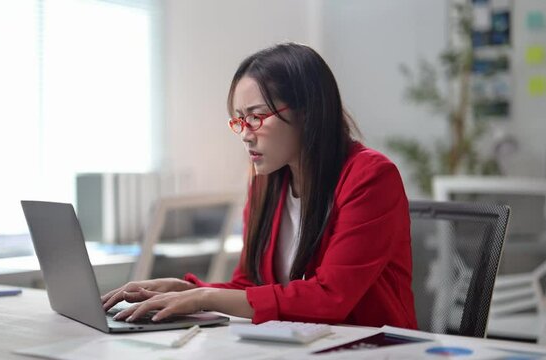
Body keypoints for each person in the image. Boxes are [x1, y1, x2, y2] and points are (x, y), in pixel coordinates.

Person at [101, 43, 417, 329]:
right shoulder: (265, 182)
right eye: (240, 120)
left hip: (368, 347)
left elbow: (331, 296)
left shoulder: (371, 177)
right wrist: (189, 290)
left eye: (257, 117)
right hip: (300, 344)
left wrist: (205, 298)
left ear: (307, 112)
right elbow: (251, 287)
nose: (245, 134)